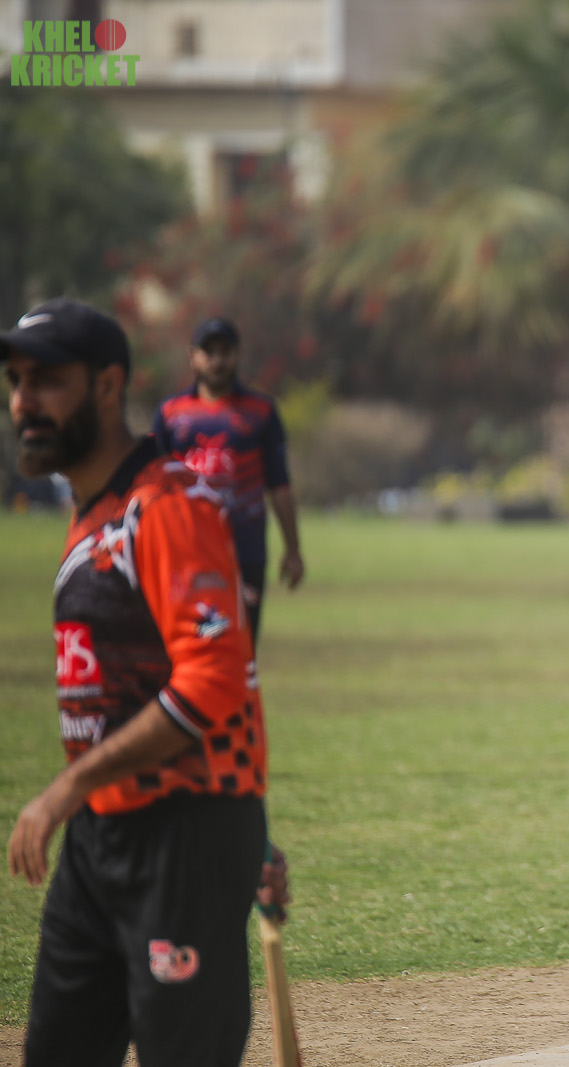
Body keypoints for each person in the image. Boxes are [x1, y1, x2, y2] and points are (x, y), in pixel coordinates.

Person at [4, 299, 288, 1067]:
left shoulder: (167, 504)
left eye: (46, 380)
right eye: (16, 381)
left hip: (183, 841)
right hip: (102, 838)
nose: (23, 401)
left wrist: (65, 789)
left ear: (107, 386)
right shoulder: (96, 508)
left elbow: (217, 679)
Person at [152, 317, 303, 641]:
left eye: (225, 352)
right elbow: (150, 487)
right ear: (193, 356)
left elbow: (279, 484)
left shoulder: (260, 412)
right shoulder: (171, 413)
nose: (217, 361)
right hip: (185, 551)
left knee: (240, 646)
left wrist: (292, 549)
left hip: (243, 550)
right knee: (184, 646)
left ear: (237, 355)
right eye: (209, 352)